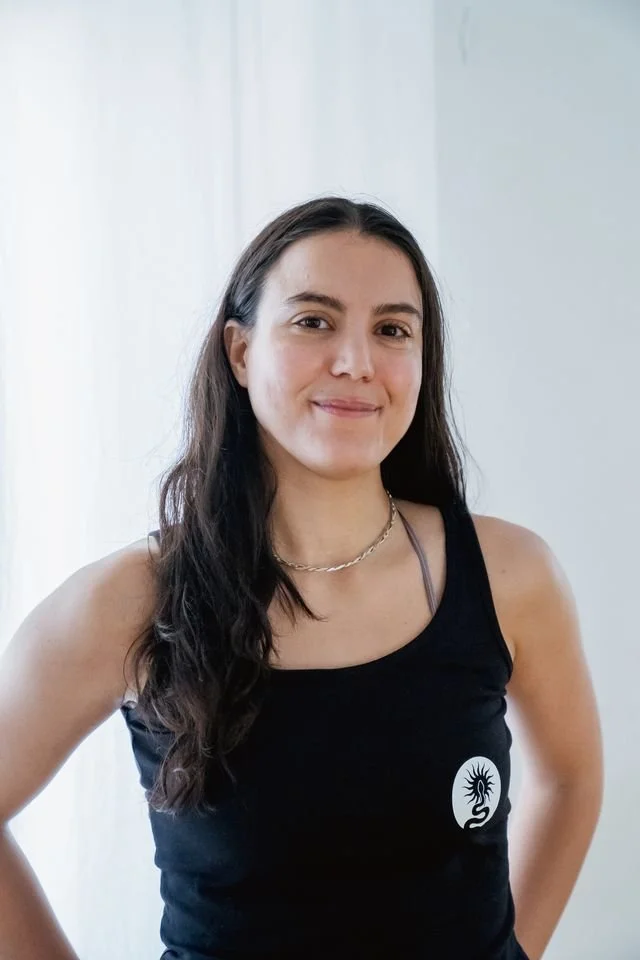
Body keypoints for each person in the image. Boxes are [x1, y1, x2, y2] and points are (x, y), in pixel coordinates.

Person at [0, 196, 603, 960]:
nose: (355, 361)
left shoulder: (509, 574)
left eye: (392, 330)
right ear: (241, 351)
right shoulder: (132, 602)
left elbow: (572, 781)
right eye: (314, 321)